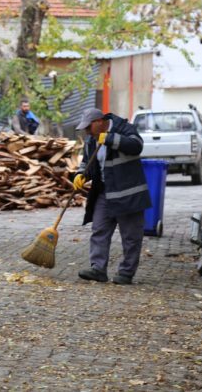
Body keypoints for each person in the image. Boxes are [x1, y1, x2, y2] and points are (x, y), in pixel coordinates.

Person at [72, 108, 151, 285]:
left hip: (127, 193)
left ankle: (126, 272)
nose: (86, 131)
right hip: (104, 192)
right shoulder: (91, 139)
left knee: (131, 236)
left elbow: (136, 146)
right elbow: (87, 161)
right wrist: (81, 174)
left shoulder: (124, 128)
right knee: (99, 229)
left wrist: (109, 139)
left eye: (88, 127)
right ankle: (97, 269)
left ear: (100, 121)